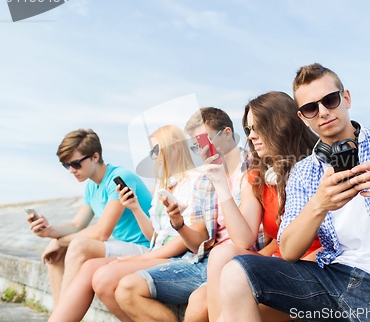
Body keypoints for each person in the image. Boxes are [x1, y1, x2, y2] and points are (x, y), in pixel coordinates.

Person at [218, 63, 370, 322]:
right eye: (310, 108)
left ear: (346, 98)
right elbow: (290, 250)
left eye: (330, 100)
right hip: (331, 277)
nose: (323, 112)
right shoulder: (304, 172)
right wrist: (319, 204)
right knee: (235, 273)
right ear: (302, 117)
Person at [112, 107, 254, 322]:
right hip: (203, 259)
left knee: (197, 307)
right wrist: (179, 224)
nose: (202, 151)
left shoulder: (254, 169)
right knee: (126, 289)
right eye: (196, 146)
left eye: (204, 141)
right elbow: (198, 240)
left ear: (227, 134)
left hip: (238, 260)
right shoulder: (204, 180)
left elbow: (258, 237)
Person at [47, 125, 200, 322]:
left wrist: (143, 259)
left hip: (175, 256)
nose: (153, 157)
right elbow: (154, 235)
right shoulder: (164, 186)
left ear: (176, 148)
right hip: (156, 249)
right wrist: (135, 207)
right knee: (88, 270)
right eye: (66, 165)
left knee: (91, 264)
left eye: (155, 151)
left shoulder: (196, 183)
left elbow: (102, 232)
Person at [201, 91, 323, 322]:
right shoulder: (257, 174)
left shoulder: (316, 167)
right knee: (221, 253)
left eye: (258, 128)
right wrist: (220, 183)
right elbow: (244, 239)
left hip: (313, 266)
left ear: (281, 124)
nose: (252, 136)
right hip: (280, 263)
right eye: (248, 130)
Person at [27, 129, 152, 306]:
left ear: (95, 156)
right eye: (66, 165)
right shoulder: (91, 187)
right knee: (56, 254)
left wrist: (60, 241)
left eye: (76, 164)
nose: (71, 170)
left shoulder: (119, 177)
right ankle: (58, 314)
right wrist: (49, 232)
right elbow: (77, 224)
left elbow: (102, 232)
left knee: (77, 245)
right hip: (126, 246)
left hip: (148, 247)